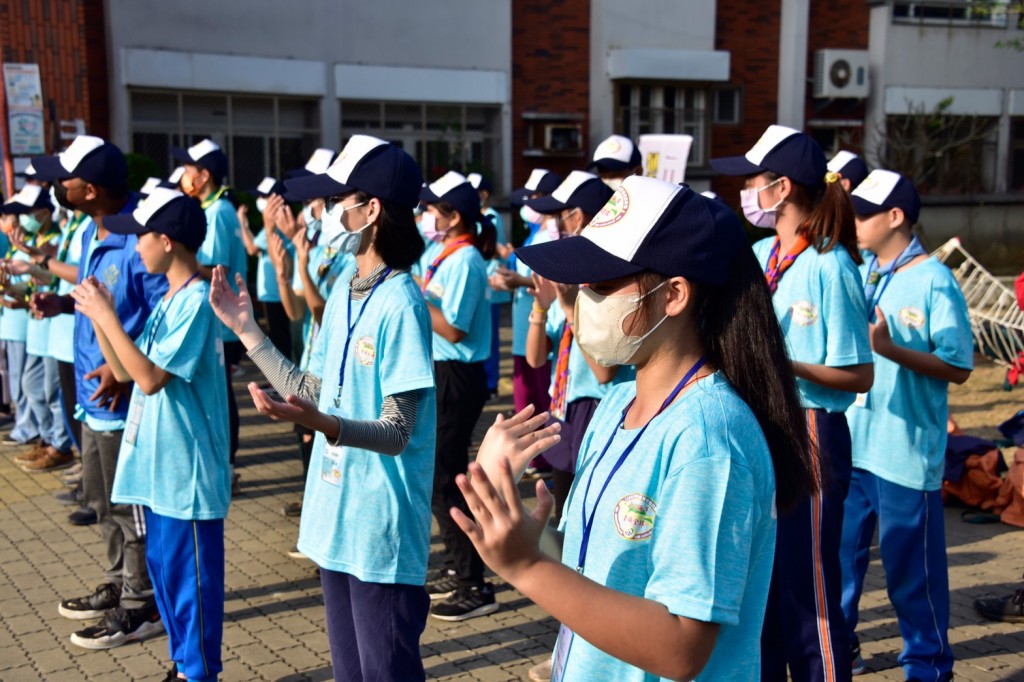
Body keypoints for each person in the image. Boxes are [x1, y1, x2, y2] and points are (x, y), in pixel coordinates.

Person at [454, 176, 817, 680]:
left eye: (602, 285)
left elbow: (681, 648)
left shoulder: (710, 439)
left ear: (673, 295)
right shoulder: (616, 403)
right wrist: (522, 535)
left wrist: (527, 567)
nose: (582, 298)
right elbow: (601, 576)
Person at [209, 134, 437, 681]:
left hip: (380, 527)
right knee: (349, 673)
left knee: (386, 671)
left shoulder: (402, 303)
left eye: (339, 201)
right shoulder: (343, 290)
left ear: (372, 210)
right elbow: (311, 388)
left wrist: (324, 425)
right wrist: (247, 332)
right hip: (336, 517)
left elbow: (397, 430)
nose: (329, 212)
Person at [711, 124, 873, 682]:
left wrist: (786, 365)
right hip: (763, 425)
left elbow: (860, 374)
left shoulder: (831, 266)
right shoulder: (761, 254)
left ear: (782, 188)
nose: (744, 190)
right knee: (768, 582)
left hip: (811, 429)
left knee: (810, 590)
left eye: (752, 180)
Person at [72, 187, 229, 681]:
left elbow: (151, 377)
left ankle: (199, 673)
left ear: (167, 240)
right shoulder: (169, 300)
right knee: (165, 578)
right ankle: (183, 667)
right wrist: (97, 318)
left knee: (192, 586)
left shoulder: (197, 301)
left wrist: (108, 315)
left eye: (141, 237)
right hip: (160, 469)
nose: (135, 247)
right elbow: (123, 367)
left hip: (188, 474)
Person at [31, 134, 168, 648]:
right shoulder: (95, 230)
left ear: (89, 189)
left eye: (63, 178)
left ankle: (142, 602)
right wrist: (64, 305)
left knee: (129, 506)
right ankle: (117, 583)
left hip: (120, 397)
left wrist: (122, 369)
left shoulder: (137, 237)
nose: (56, 184)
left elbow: (161, 313)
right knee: (102, 501)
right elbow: (98, 298)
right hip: (93, 395)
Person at [840, 170, 971, 681]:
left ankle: (929, 667)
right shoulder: (865, 270)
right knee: (841, 566)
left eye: (862, 214)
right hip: (853, 448)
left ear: (895, 217)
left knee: (911, 577)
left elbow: (959, 365)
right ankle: (841, 651)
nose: (853, 222)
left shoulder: (934, 279)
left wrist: (893, 350)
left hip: (904, 454)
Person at [417, 170, 499, 621]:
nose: (427, 215)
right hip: (440, 370)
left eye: (433, 209)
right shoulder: (441, 252)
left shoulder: (466, 260)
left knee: (445, 477)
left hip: (458, 375)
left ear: (453, 216)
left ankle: (476, 584)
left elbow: (454, 327)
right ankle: (456, 564)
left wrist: (416, 297)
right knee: (438, 474)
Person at [521, 170, 623, 522]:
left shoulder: (607, 282)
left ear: (577, 217)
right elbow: (536, 357)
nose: (554, 225)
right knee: (565, 511)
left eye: (557, 216)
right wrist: (542, 306)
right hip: (563, 407)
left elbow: (604, 369)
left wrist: (568, 309)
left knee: (590, 509)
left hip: (597, 406)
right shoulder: (572, 279)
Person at [173, 139, 247, 479]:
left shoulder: (217, 212)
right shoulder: (216, 208)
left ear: (203, 176)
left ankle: (226, 464)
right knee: (221, 392)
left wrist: (179, 259)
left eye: (189, 171)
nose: (184, 177)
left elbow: (214, 266)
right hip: (223, 317)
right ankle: (225, 460)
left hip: (224, 317)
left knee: (221, 394)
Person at [1, 185, 74, 471]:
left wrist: (32, 264)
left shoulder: (53, 238)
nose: (23, 219)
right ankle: (50, 440)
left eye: (28, 213)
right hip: (41, 326)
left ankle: (59, 444)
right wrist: (10, 286)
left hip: (54, 325)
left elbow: (49, 278)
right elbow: (36, 284)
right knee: (35, 387)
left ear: (45, 212)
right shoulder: (36, 238)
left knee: (51, 391)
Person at [490, 169, 562, 418]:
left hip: (544, 330)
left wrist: (518, 280)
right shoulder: (536, 232)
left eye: (534, 197)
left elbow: (550, 279)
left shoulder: (552, 235)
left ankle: (540, 458)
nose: (528, 203)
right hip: (526, 330)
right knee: (528, 403)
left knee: (537, 407)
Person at [238, 176, 295, 361]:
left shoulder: (275, 226)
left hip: (276, 293)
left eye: (264, 197)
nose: (259, 201)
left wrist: (243, 224)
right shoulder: (271, 227)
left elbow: (251, 248)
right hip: (274, 292)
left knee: (280, 338)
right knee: (279, 336)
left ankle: (283, 384)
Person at [468, 172, 507, 399]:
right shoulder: (479, 215)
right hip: (484, 284)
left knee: (490, 336)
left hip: (491, 285)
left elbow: (493, 249)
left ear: (484, 194)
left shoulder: (491, 216)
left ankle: (491, 382)